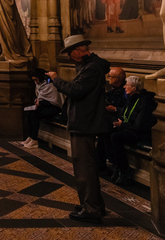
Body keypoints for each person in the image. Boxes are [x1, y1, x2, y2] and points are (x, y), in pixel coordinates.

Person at [46, 35, 109, 223]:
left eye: (71, 52)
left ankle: (91, 209)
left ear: (79, 50)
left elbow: (75, 90)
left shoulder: (91, 68)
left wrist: (56, 79)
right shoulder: (88, 66)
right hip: (84, 122)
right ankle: (94, 204)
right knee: (86, 166)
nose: (70, 56)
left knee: (84, 167)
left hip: (85, 123)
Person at [108, 76, 157, 185]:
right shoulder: (131, 98)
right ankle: (116, 165)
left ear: (134, 88)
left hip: (140, 133)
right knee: (108, 130)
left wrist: (122, 124)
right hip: (130, 129)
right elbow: (126, 114)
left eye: (127, 85)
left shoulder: (145, 101)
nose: (124, 86)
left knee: (115, 137)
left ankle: (125, 169)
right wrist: (119, 122)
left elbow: (139, 124)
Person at [21, 70, 63, 149]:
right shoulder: (39, 85)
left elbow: (53, 100)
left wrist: (41, 103)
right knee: (29, 113)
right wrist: (38, 101)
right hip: (44, 106)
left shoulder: (49, 84)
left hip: (54, 107)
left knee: (35, 115)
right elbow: (41, 97)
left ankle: (34, 139)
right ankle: (30, 136)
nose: (35, 82)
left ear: (40, 78)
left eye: (36, 79)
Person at [97, 67, 127, 171]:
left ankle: (112, 161)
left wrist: (115, 109)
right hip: (109, 121)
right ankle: (101, 163)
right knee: (101, 131)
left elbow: (129, 109)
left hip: (120, 122)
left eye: (110, 76)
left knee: (106, 132)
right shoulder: (112, 90)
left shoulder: (125, 92)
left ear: (117, 79)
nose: (108, 78)